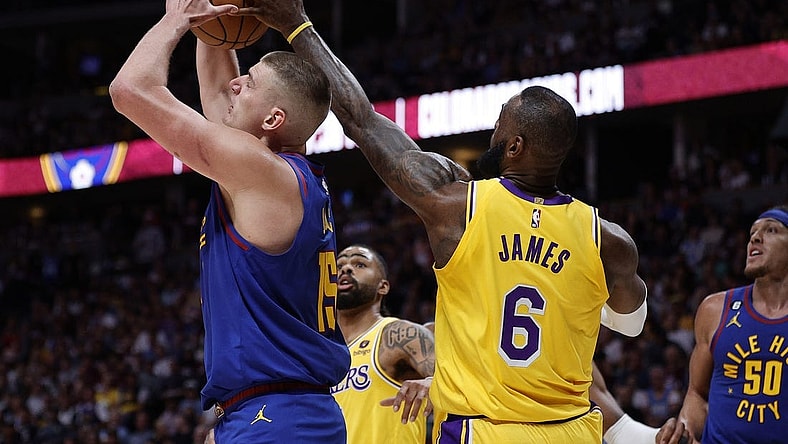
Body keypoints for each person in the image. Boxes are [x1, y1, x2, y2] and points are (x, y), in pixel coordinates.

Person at [237, 2, 648, 442]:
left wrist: (295, 25)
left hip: (484, 431)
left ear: (513, 147)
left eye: (498, 127)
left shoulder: (456, 207)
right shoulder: (609, 240)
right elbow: (629, 323)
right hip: (571, 433)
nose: (492, 133)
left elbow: (361, 121)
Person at [109, 1, 350, 442]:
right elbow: (223, 97)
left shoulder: (260, 170)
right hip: (279, 412)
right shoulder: (281, 175)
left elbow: (130, 90)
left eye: (250, 83)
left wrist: (176, 19)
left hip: (276, 419)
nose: (236, 85)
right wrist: (209, 14)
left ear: (273, 119)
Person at [656, 205, 788, 444]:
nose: (755, 238)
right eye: (752, 233)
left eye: (771, 231)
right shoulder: (715, 309)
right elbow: (697, 393)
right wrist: (684, 429)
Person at [333, 244, 435, 444]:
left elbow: (451, 377)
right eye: (339, 266)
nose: (345, 269)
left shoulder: (399, 334)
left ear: (383, 286)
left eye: (360, 264)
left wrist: (434, 381)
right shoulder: (319, 352)